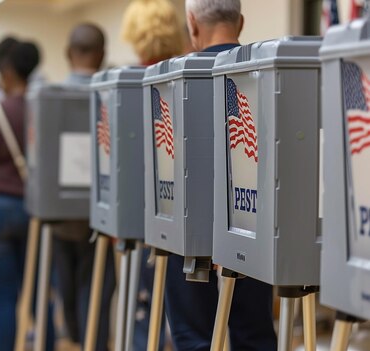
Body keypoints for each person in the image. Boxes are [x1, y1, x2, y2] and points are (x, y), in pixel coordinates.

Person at [158, 1, 278, 350]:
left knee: (194, 339)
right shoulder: (264, 72)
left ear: (192, 24)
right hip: (253, 229)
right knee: (253, 338)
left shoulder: (171, 80)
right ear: (240, 21)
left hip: (188, 241)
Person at [0, 38, 55, 351]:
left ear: (7, 71)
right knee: (37, 295)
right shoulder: (44, 111)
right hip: (35, 209)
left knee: (4, 296)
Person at [121, 1, 183, 349]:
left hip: (141, 212)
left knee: (143, 305)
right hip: (180, 212)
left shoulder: (131, 83)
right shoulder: (183, 77)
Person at [50, 23, 116, 351]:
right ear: (103, 55)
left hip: (59, 214)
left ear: (66, 53)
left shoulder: (50, 97)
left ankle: (74, 335)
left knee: (65, 280)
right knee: (99, 288)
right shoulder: (113, 96)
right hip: (102, 212)